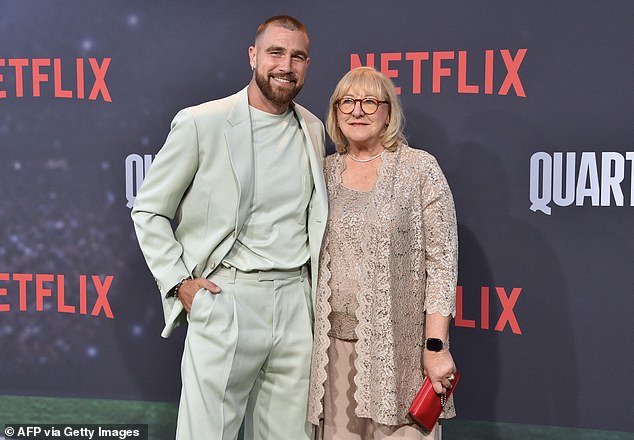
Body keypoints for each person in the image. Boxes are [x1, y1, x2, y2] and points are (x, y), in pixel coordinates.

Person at [131, 15, 327, 440]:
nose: (286, 65)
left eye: (298, 56)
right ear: (253, 55)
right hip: (227, 299)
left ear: (307, 65)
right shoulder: (202, 122)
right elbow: (148, 210)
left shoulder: (314, 127)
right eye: (275, 52)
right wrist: (180, 283)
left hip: (296, 305)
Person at [308, 66, 458, 439]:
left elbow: (442, 265)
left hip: (400, 355)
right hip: (333, 356)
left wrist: (436, 347)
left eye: (370, 102)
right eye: (348, 102)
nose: (357, 111)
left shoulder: (419, 169)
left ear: (388, 111)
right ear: (336, 111)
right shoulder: (321, 172)